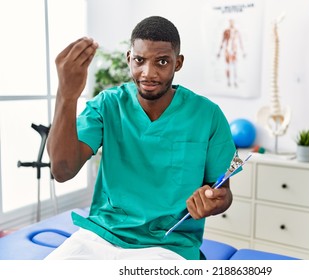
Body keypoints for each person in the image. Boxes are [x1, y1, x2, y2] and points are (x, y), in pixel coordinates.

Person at [46, 16, 236, 260]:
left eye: (162, 62)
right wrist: (67, 94)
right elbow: (62, 171)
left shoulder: (208, 115)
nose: (149, 73)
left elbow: (224, 192)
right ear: (129, 59)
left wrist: (214, 200)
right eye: (139, 60)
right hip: (102, 236)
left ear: (178, 63)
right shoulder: (108, 105)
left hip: (167, 245)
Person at [216, 18, 246, 88]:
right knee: (228, 66)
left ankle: (235, 81)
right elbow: (222, 41)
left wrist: (243, 52)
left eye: (232, 22)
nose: (232, 23)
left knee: (235, 66)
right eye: (230, 22)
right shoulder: (226, 31)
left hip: (234, 51)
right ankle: (228, 81)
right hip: (227, 50)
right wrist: (219, 52)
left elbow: (240, 41)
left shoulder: (236, 31)